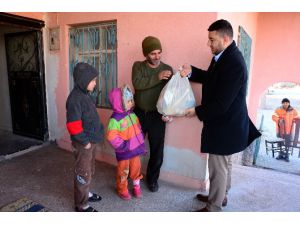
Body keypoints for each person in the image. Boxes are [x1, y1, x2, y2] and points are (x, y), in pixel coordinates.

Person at [180, 19, 261, 212]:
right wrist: (192, 72)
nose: (208, 44)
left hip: (226, 125)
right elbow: (211, 77)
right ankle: (221, 195)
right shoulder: (223, 55)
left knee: (218, 167)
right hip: (226, 123)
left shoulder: (234, 63)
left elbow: (221, 104)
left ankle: (213, 207)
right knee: (224, 165)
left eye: (212, 39)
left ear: (225, 39)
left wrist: (196, 111)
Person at [132, 36, 173, 192]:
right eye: (153, 53)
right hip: (139, 114)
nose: (157, 57)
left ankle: (152, 180)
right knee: (134, 149)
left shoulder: (167, 69)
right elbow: (138, 83)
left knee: (157, 151)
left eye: (159, 52)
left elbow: (171, 94)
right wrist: (157, 77)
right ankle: (132, 177)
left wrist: (169, 112)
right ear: (145, 54)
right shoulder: (138, 66)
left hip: (157, 116)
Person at [66, 62, 104, 212]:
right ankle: (81, 205)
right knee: (83, 173)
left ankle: (86, 193)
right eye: (93, 80)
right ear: (83, 80)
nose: (95, 83)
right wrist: (85, 142)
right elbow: (73, 125)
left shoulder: (85, 95)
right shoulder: (75, 99)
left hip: (90, 142)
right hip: (84, 143)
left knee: (89, 170)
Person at [106, 85, 147, 200]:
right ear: (120, 103)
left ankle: (136, 186)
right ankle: (122, 189)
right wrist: (124, 145)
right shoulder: (115, 119)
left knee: (136, 168)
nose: (131, 103)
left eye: (131, 100)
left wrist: (140, 138)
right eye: (128, 101)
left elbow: (138, 127)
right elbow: (111, 136)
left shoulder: (132, 114)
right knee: (123, 171)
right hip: (124, 151)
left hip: (135, 149)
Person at [272, 98, 299, 162]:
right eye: (284, 103)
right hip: (280, 130)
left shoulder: (293, 110)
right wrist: (278, 120)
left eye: (287, 103)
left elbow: (297, 117)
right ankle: (280, 154)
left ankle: (287, 155)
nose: (285, 104)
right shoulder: (278, 109)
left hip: (289, 130)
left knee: (288, 143)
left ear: (289, 103)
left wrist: (295, 120)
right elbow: (273, 117)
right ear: (282, 103)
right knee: (279, 143)